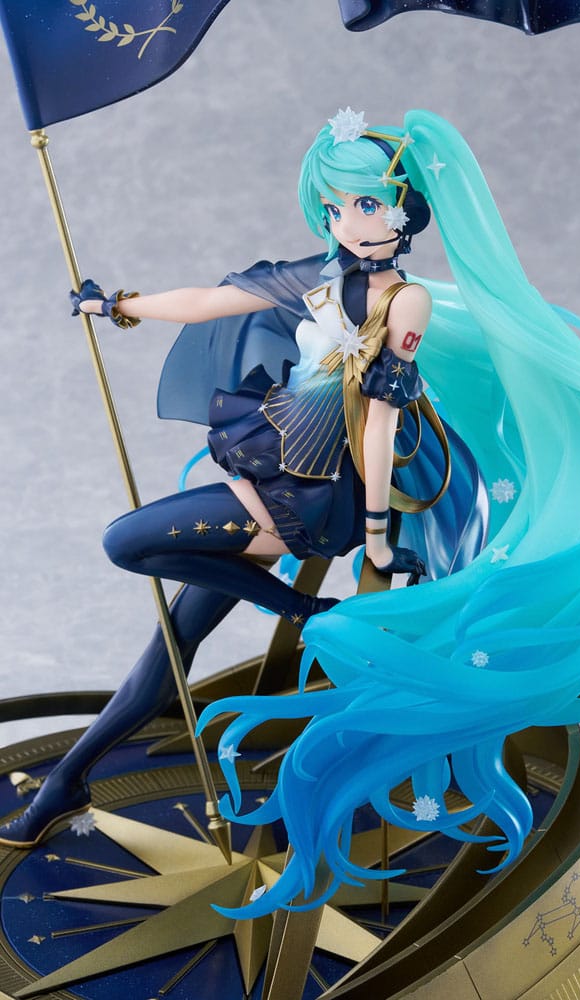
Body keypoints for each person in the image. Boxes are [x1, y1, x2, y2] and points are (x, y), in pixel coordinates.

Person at [0, 107, 486, 849]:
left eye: (365, 203)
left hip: (316, 491)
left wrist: (377, 539)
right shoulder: (317, 275)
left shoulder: (403, 300)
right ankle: (66, 783)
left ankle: (302, 608)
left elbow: (382, 422)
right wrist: (116, 304)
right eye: (335, 207)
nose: (348, 222)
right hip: (272, 455)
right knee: (170, 650)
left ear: (404, 207)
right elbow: (208, 302)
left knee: (125, 543)